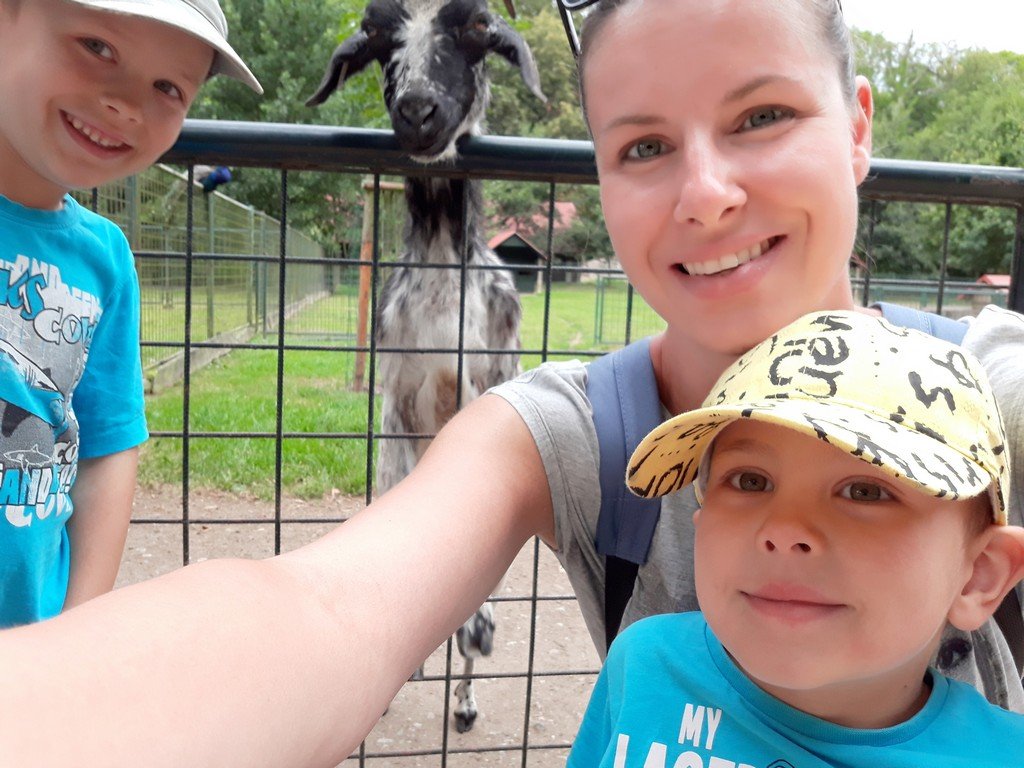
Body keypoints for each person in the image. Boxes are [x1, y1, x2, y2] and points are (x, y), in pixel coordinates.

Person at [0, 0, 1021, 765]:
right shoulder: (581, 432)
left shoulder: (997, 391)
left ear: (857, 126)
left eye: (762, 115)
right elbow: (320, 611)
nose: (707, 195)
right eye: (644, 145)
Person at [566, 309, 1024, 767]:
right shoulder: (641, 667)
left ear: (978, 576)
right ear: (699, 524)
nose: (784, 531)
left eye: (865, 492)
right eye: (750, 481)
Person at [0, 0, 261, 628]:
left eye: (168, 87)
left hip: (34, 645)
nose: (126, 104)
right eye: (97, 46)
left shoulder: (107, 260)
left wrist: (78, 631)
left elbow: (109, 445)